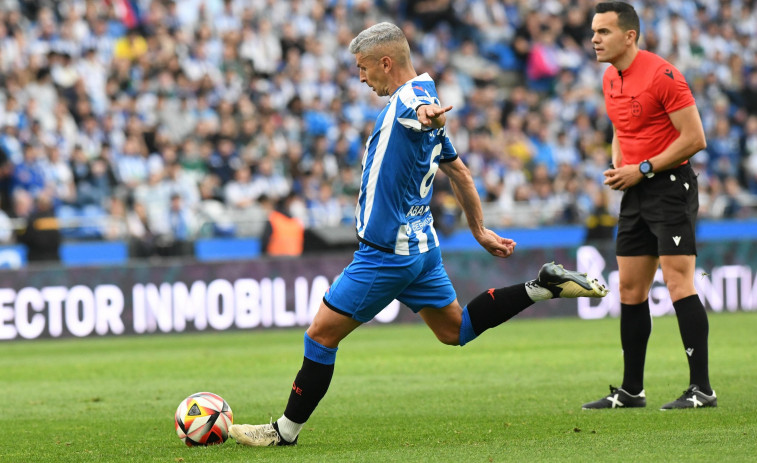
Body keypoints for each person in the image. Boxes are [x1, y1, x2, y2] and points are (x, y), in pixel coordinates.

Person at [229, 22, 608, 447]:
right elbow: (459, 171)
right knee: (455, 330)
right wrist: (479, 230)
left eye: (363, 67)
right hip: (421, 248)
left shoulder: (412, 103)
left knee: (319, 336)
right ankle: (542, 287)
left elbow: (420, 117)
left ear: (385, 62)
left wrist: (425, 118)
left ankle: (284, 432)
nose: (360, 76)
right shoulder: (424, 96)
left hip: (386, 253)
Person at [583, 2, 714, 410]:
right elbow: (622, 131)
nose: (594, 39)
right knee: (630, 288)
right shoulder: (609, 78)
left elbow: (695, 138)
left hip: (670, 187)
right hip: (636, 189)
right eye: (593, 32)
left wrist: (641, 168)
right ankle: (631, 390)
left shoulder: (663, 75)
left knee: (678, 284)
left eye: (603, 32)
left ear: (629, 36)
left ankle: (702, 389)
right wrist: (618, 164)